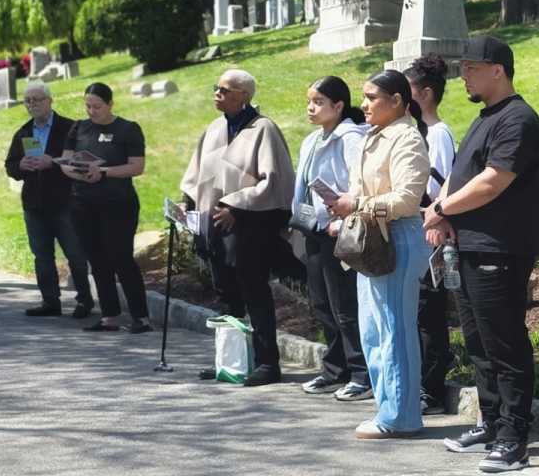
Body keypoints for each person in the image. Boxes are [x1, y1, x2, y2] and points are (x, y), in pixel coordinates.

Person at [425, 35, 539, 473]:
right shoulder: (484, 118)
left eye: (470, 68)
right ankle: (492, 423)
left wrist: (440, 207)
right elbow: (465, 176)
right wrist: (447, 217)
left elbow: (493, 181)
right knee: (478, 344)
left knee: (505, 343)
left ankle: (515, 437)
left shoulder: (518, 119)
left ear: (498, 70)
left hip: (501, 248)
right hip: (470, 247)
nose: (462, 77)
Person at [329, 70, 432, 440]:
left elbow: (406, 199)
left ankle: (401, 415)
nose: (364, 104)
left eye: (372, 97)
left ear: (398, 102)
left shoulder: (406, 137)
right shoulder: (374, 136)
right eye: (365, 97)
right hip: (372, 242)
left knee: (395, 330)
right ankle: (387, 408)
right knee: (373, 331)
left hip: (397, 240)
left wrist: (356, 203)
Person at [180, 68, 296, 387]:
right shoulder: (216, 128)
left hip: (250, 229)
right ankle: (230, 361)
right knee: (226, 295)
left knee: (254, 292)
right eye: (215, 87)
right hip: (215, 228)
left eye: (224, 89)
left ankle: (267, 363)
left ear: (243, 95)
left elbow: (274, 182)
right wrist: (187, 205)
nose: (217, 93)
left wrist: (235, 205)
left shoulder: (264, 129)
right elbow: (197, 176)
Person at [291, 76, 371, 402]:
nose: (311, 107)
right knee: (322, 302)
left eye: (319, 102)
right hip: (313, 228)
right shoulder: (312, 139)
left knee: (345, 305)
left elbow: (360, 183)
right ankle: (334, 368)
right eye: (309, 101)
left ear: (338, 106)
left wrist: (343, 211)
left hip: (341, 230)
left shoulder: (350, 137)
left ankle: (361, 373)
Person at [59, 82, 151, 334]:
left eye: (97, 106)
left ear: (110, 104)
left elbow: (136, 166)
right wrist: (80, 173)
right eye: (87, 106)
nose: (91, 111)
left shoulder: (128, 129)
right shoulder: (78, 128)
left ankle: (140, 317)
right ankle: (110, 315)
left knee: (121, 258)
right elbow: (65, 163)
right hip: (83, 203)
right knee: (97, 260)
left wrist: (104, 172)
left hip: (118, 204)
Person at [3, 80, 94, 318]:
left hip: (65, 202)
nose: (32, 105)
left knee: (75, 253)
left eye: (37, 100)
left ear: (50, 101)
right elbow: (10, 166)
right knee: (42, 256)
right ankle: (50, 301)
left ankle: (85, 301)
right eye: (28, 101)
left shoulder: (70, 128)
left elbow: (81, 162)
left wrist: (51, 162)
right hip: (35, 205)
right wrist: (20, 165)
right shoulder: (23, 132)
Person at [405, 54, 456, 417]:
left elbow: (439, 187)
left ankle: (432, 387)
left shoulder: (438, 134)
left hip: (431, 234)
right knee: (418, 312)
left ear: (424, 94)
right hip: (412, 233)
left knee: (429, 314)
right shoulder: (415, 133)